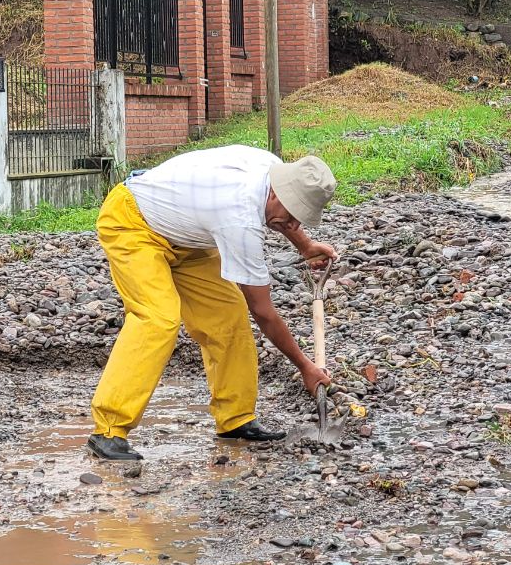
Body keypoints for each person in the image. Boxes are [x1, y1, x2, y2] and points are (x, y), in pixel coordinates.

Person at [87, 144, 339, 461]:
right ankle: (108, 430)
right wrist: (306, 367)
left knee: (228, 317)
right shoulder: (240, 218)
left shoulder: (273, 171)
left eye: (298, 220)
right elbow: (263, 311)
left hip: (188, 237)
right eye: (291, 216)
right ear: (278, 194)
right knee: (157, 318)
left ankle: (235, 420)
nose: (291, 224)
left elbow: (282, 218)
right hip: (133, 221)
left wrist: (306, 245)